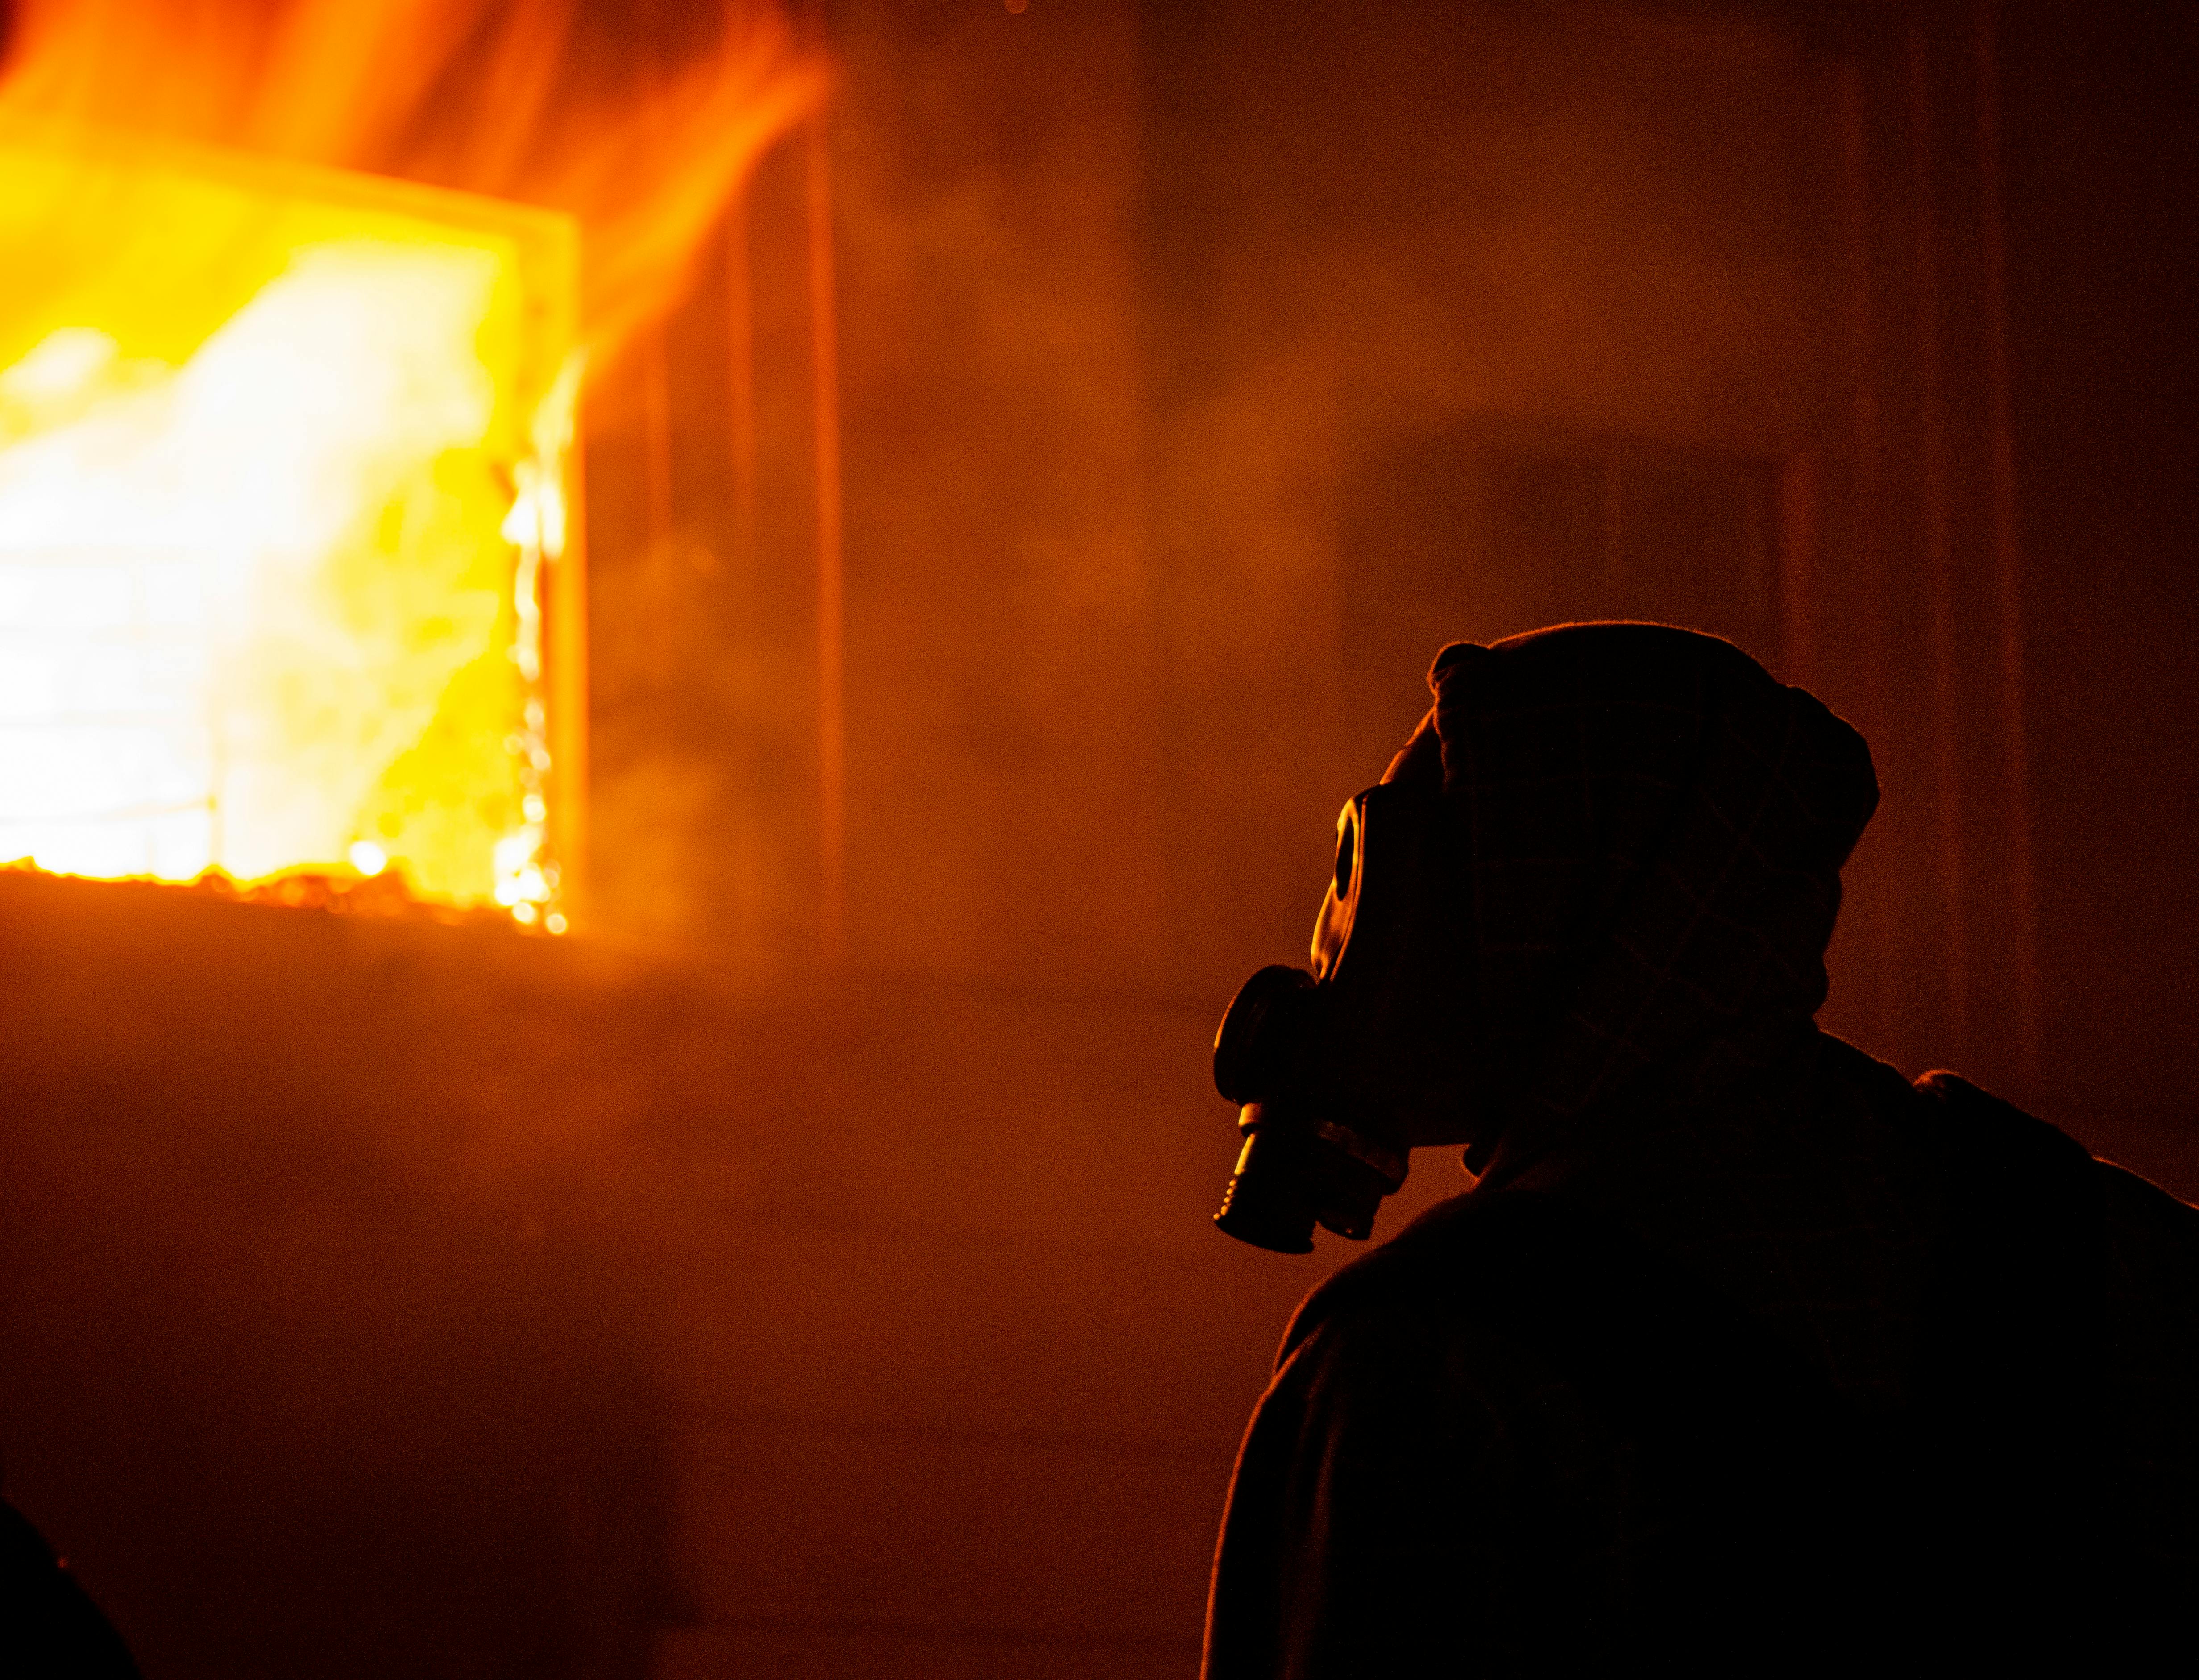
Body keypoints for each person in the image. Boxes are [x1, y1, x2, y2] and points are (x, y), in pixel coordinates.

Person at [1202, 623, 2199, 1676]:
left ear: (1548, 896)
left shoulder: (1424, 1358)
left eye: (1414, 863)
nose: (1352, 935)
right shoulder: (2099, 1246)